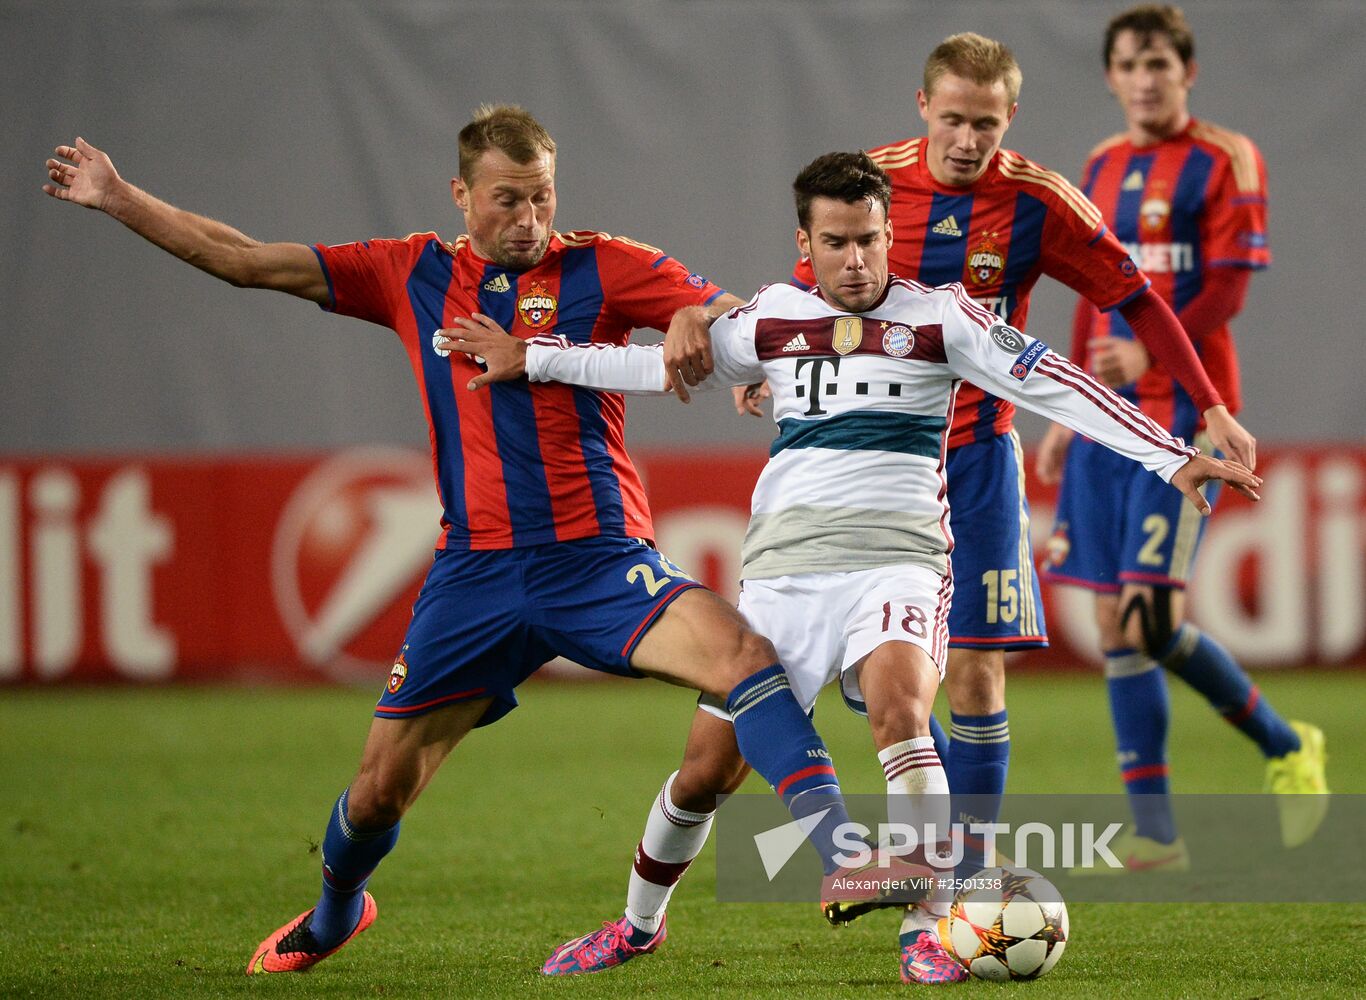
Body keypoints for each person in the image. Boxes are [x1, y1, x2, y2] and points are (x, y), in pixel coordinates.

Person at [42, 105, 890, 976]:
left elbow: (736, 314)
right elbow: (249, 262)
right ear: (462, 195)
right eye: (507, 201)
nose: (528, 222)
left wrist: (700, 318)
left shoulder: (604, 265)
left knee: (748, 657)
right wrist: (118, 197)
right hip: (474, 576)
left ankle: (844, 856)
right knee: (377, 796)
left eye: (543, 199)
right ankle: (338, 911)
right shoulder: (408, 272)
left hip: (599, 559)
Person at [442, 150, 1262, 983]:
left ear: (889, 232)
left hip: (897, 561)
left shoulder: (943, 318)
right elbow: (653, 368)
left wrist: (1170, 456)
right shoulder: (769, 319)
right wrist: (533, 357)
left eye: (870, 239)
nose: (858, 259)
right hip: (784, 575)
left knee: (901, 710)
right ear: (808, 241)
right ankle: (636, 926)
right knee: (704, 775)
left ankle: (926, 933)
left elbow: (1056, 382)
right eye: (837, 242)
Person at [1034, 4, 1327, 871]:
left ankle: (1286, 745)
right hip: (1108, 417)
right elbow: (1095, 290)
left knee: (1151, 616)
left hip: (1185, 417)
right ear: (1111, 75)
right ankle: (1157, 832)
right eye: (1129, 63)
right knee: (1112, 624)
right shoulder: (1098, 164)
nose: (1145, 77)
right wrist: (1069, 405)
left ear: (1186, 70)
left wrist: (1148, 355)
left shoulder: (1226, 157)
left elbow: (1229, 288)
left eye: (1159, 61)